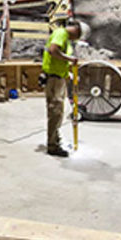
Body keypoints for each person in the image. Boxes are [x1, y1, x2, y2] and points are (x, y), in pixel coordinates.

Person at [42, 21, 83, 157]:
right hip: (54, 79)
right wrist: (70, 59)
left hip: (59, 78)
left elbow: (59, 59)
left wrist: (67, 73)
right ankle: (52, 145)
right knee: (55, 111)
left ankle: (56, 139)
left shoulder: (64, 37)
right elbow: (54, 51)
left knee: (58, 112)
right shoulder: (61, 33)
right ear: (76, 31)